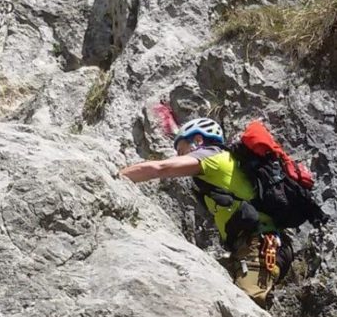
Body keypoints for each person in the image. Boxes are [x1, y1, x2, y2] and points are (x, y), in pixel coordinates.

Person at [117, 117, 282, 303]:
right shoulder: (224, 162)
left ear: (198, 141)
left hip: (258, 244)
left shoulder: (211, 157)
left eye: (181, 150)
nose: (180, 157)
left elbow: (159, 168)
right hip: (252, 244)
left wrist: (115, 176)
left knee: (247, 306)